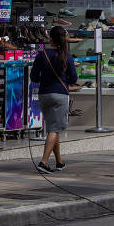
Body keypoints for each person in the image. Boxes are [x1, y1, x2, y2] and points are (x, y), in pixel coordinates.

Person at [30, 26, 77, 173]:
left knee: (52, 128)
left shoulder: (42, 53)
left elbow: (34, 76)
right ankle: (43, 162)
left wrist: (44, 78)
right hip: (60, 95)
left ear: (50, 38)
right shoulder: (67, 56)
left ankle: (59, 162)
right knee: (55, 129)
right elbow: (74, 78)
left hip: (44, 95)